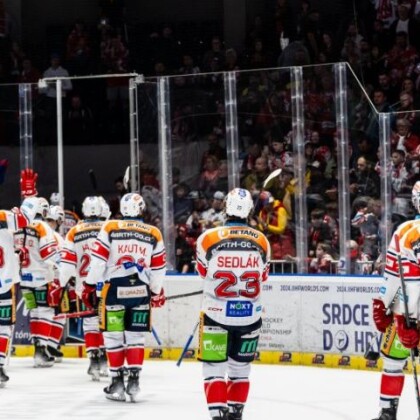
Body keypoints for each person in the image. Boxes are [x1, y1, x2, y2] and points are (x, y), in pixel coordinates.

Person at [81, 192, 166, 402]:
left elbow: (98, 261)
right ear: (142, 209)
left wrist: (89, 285)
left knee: (113, 336)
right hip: (140, 290)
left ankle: (117, 382)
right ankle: (134, 382)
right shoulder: (153, 232)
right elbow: (159, 268)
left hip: (114, 290)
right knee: (136, 336)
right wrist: (155, 290)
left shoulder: (110, 227)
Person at [195, 188, 271, 420]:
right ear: (249, 209)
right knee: (240, 371)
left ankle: (218, 415)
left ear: (226, 206)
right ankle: (235, 415)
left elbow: (202, 272)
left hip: (216, 313)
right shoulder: (262, 240)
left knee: (213, 369)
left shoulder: (208, 238)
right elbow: (264, 276)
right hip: (250, 316)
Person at [371, 180, 420, 419]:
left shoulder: (404, 231)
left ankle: (387, 412)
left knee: (392, 362)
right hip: (407, 310)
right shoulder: (404, 231)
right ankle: (387, 411)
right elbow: (393, 274)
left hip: (406, 311)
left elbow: (392, 277)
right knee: (392, 360)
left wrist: (384, 304)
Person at [60, 196, 109, 380]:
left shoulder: (74, 231)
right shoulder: (108, 228)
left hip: (84, 286)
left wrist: (62, 283)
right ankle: (105, 358)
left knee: (89, 324)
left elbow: (66, 264)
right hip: (105, 285)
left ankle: (93, 361)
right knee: (105, 324)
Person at [0, 169, 39, 384]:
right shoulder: (3, 218)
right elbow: (25, 218)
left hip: (5, 280)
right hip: (4, 283)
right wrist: (29, 195)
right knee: (3, 326)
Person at [14, 197, 59, 368]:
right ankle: (42, 350)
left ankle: (37, 349)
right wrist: (59, 271)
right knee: (45, 312)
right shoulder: (42, 226)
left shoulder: (18, 226)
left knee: (34, 312)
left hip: (23, 277)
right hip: (41, 277)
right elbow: (50, 255)